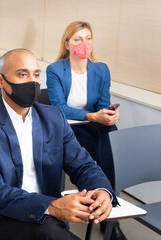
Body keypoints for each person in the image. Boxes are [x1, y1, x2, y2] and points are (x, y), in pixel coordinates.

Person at [0, 49, 118, 240]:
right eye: (22, 74)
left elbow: (83, 164)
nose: (32, 81)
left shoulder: (54, 117)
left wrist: (101, 190)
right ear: (0, 81)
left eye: (36, 74)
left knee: (51, 231)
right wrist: (51, 206)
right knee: (51, 233)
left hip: (46, 218)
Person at [46, 21, 124, 239]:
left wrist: (109, 114)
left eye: (88, 38)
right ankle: (105, 208)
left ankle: (108, 211)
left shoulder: (101, 69)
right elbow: (58, 107)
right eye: (78, 39)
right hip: (66, 129)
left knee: (110, 133)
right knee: (104, 143)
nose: (84, 43)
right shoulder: (55, 70)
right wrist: (91, 116)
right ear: (67, 44)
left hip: (94, 129)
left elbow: (102, 104)